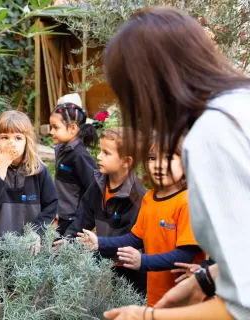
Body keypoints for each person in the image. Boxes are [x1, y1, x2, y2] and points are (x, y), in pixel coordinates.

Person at [98, 6, 250, 320]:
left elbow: (242, 304)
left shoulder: (212, 133)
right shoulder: (239, 105)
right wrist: (207, 277)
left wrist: (146, 316)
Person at [79, 136, 205, 307]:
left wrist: (143, 261)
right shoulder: (149, 198)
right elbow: (134, 238)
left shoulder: (187, 202)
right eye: (152, 158)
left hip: (185, 298)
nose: (158, 164)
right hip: (155, 294)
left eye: (168, 158)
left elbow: (185, 254)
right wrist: (100, 243)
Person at [63, 127, 147, 295]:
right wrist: (68, 241)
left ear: (127, 161)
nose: (98, 156)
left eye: (106, 153)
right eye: (100, 151)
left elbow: (130, 241)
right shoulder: (99, 184)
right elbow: (83, 218)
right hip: (105, 255)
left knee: (128, 300)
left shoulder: (136, 197)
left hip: (132, 267)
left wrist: (93, 248)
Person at [0, 110, 58, 243]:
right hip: (3, 245)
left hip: (33, 244)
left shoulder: (39, 170)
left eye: (18, 138)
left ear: (26, 141)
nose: (11, 143)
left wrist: (37, 231)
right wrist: (2, 167)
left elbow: (51, 204)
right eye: (4, 137)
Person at [50, 93, 98, 235]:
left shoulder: (80, 156)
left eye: (55, 127)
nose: (51, 132)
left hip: (74, 220)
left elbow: (95, 187)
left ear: (72, 128)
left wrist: (82, 220)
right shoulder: (63, 150)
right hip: (63, 216)